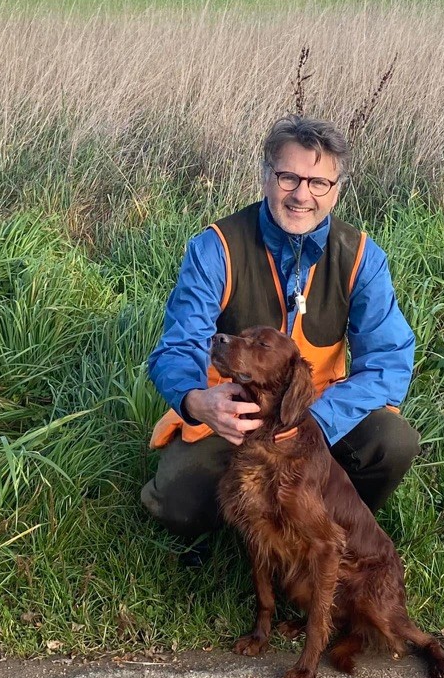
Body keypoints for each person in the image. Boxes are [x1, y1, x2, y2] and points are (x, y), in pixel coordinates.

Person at [140, 115, 420, 565]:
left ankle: (326, 533)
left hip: (320, 413)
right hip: (235, 417)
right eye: (288, 176)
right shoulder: (216, 247)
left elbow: (389, 363)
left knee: (392, 441)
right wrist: (197, 402)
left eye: (318, 182)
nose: (301, 195)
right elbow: (178, 346)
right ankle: (243, 538)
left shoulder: (362, 257)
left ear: (337, 189)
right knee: (178, 500)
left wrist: (314, 423)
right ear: (266, 175)